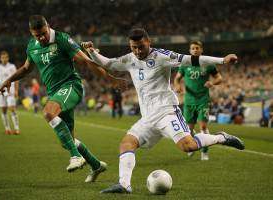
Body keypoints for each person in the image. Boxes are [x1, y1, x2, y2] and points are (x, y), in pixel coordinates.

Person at [81, 28, 245, 194]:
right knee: (126, 144)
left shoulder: (162, 56)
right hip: (148, 117)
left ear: (148, 42)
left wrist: (222, 60)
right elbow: (108, 64)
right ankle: (124, 184)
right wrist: (91, 52)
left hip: (167, 111)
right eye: (133, 47)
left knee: (188, 146)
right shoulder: (129, 59)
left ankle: (221, 137)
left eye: (141, 47)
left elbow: (191, 60)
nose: (137, 51)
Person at [0, 15, 127, 182]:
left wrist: (111, 79)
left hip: (71, 86)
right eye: (37, 35)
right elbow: (26, 68)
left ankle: (75, 157)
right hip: (54, 93)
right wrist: (9, 80)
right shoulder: (32, 46)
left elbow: (86, 61)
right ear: (32, 34)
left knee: (48, 112)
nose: (42, 37)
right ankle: (96, 165)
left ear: (48, 26)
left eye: (44, 33)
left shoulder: (62, 39)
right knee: (68, 141)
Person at [174, 41, 223, 160]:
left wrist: (212, 82)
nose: (195, 50)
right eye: (193, 48)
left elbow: (219, 78)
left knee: (203, 126)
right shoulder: (185, 64)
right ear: (190, 51)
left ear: (201, 50)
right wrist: (177, 85)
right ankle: (192, 146)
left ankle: (205, 152)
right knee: (188, 129)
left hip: (203, 100)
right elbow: (177, 79)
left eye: (197, 48)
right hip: (189, 101)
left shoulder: (208, 64)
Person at [0, 51, 20, 135]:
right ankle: (7, 128)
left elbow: (16, 79)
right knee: (4, 110)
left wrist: (16, 90)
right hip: (1, 91)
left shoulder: (12, 67)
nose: (4, 59)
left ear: (8, 58)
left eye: (6, 57)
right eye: (3, 57)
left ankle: (16, 128)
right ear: (0, 59)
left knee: (12, 108)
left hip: (10, 90)